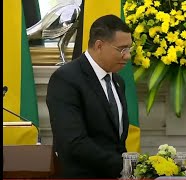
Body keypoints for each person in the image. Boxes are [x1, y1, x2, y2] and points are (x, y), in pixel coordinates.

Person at [46, 14, 133, 178]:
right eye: (122, 49)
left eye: (129, 49)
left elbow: (115, 140)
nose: (127, 56)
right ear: (99, 45)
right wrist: (123, 166)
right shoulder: (66, 79)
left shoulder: (118, 81)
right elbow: (73, 142)